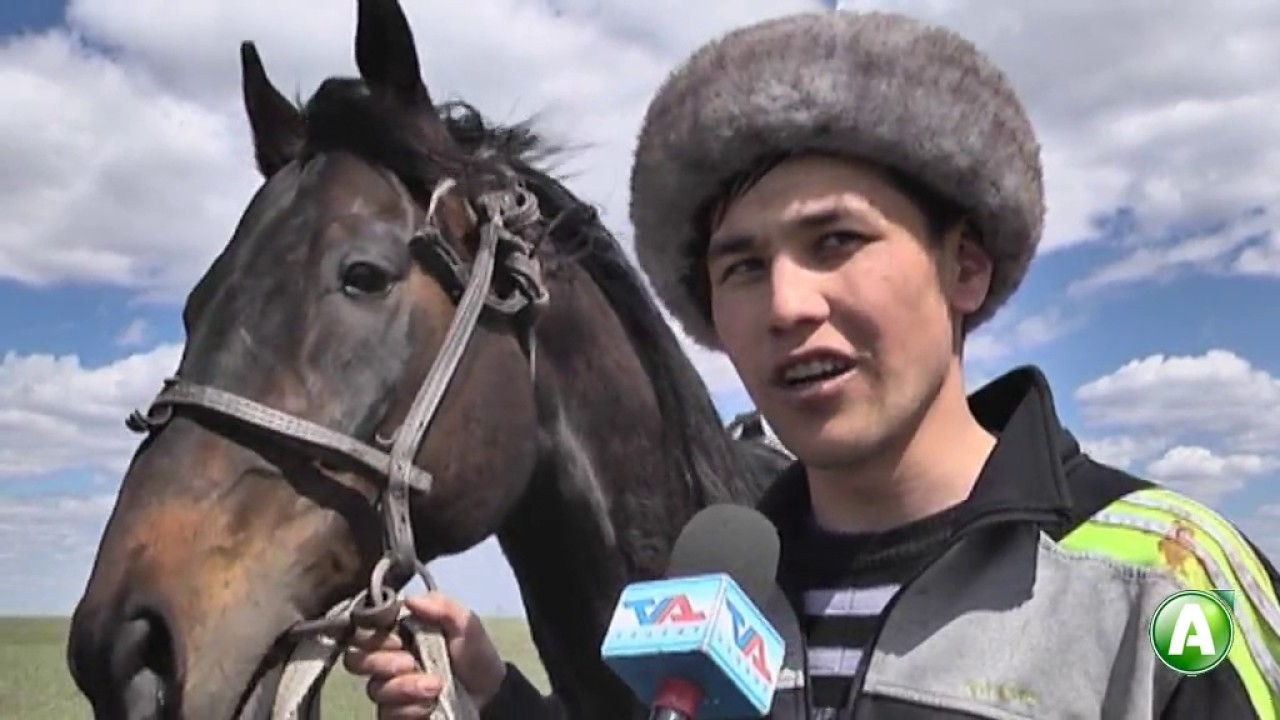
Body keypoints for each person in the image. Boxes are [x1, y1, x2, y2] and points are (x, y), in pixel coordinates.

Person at [344, 9, 1280, 719]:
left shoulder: (1164, 579)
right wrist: (495, 691)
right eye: (743, 266)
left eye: (836, 240)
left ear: (966, 264)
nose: (787, 305)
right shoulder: (721, 584)